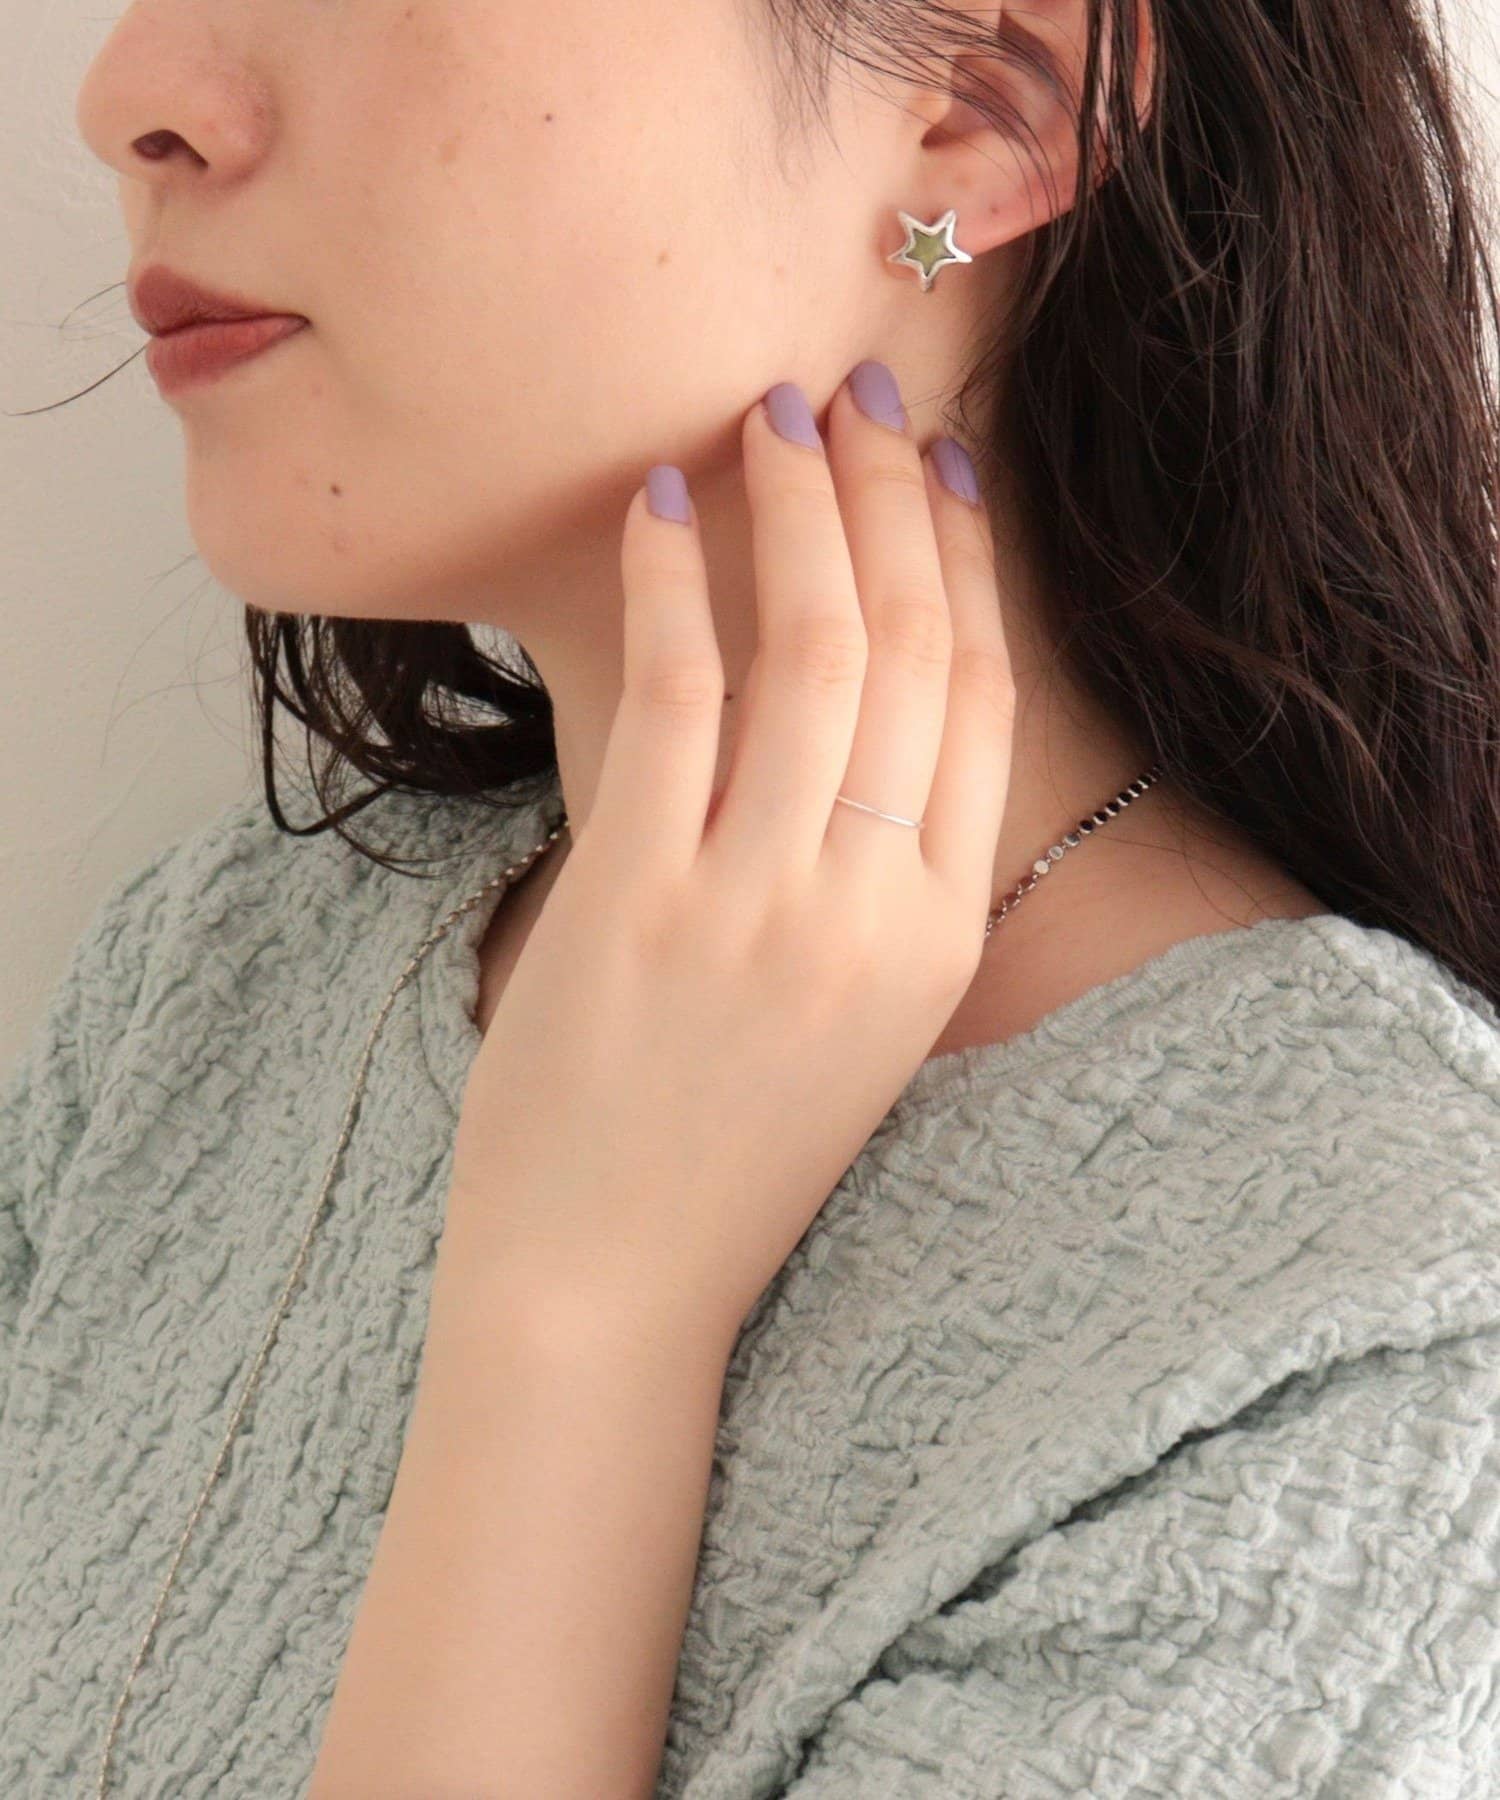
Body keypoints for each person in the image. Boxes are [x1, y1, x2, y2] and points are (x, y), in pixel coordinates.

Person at [3, 0, 1497, 1792]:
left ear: (987, 105)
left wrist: (583, 1319)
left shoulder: (1366, 1358)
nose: (131, 94)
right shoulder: (210, 985)